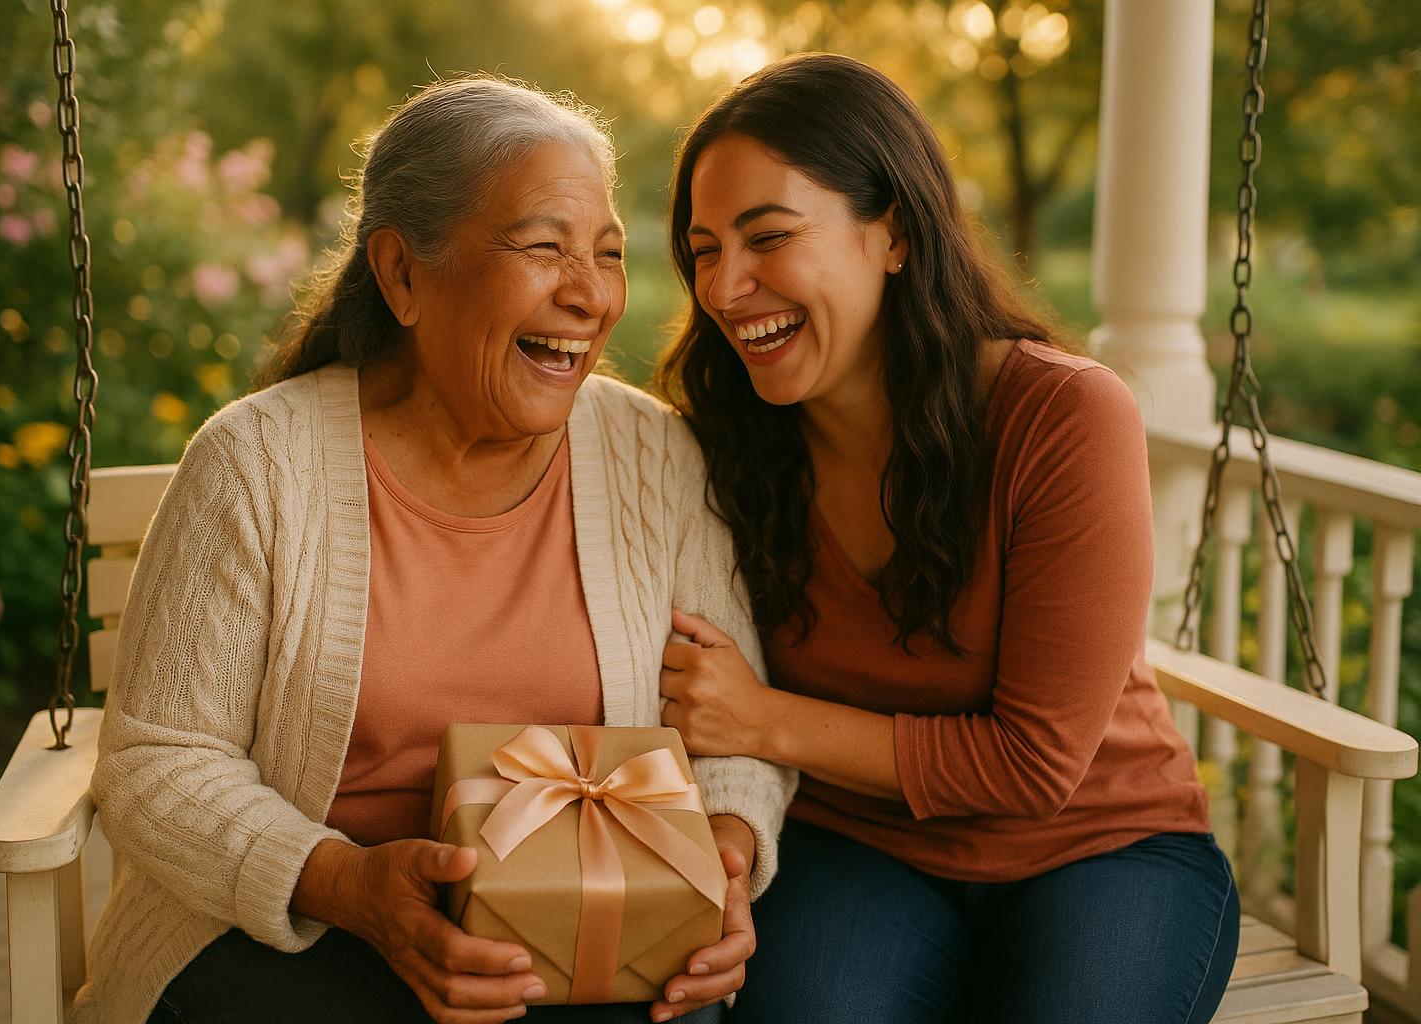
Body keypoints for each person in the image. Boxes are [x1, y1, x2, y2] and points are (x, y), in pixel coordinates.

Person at [73, 76, 795, 1024]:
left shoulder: (651, 456)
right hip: (297, 926)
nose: (589, 294)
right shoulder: (256, 464)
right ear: (403, 274)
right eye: (544, 247)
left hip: (580, 932)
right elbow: (158, 762)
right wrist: (349, 884)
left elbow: (731, 732)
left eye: (608, 254)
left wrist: (725, 858)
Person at [654, 53, 1237, 1024]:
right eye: (704, 249)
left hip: (1100, 846)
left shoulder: (1062, 416)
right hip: (857, 847)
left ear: (896, 234)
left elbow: (1032, 763)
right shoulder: (721, 443)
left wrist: (763, 719)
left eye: (768, 237)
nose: (725, 286)